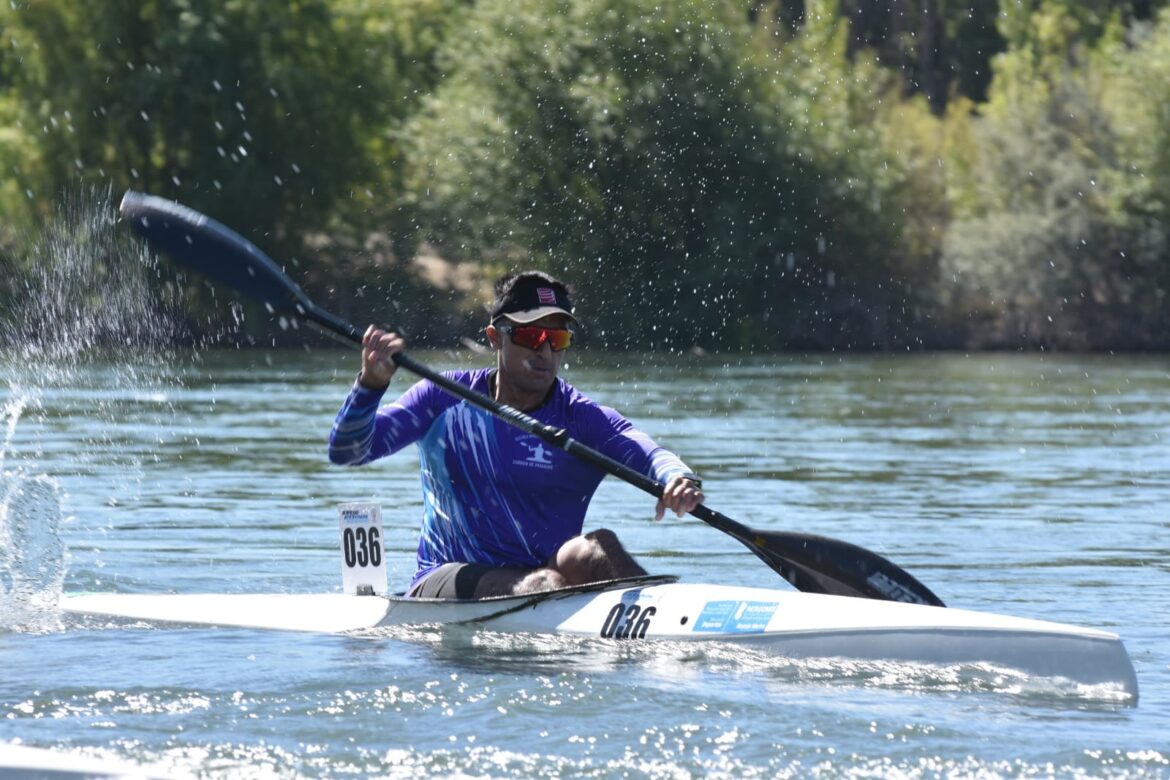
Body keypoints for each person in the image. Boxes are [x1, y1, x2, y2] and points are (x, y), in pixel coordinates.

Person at [328, 270, 704, 599]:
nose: (544, 350)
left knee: (600, 548)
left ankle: (661, 625)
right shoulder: (442, 398)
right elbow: (348, 450)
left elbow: (649, 453)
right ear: (495, 337)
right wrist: (370, 385)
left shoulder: (582, 418)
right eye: (530, 335)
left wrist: (678, 479)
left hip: (545, 573)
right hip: (448, 574)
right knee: (545, 585)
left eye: (557, 339)